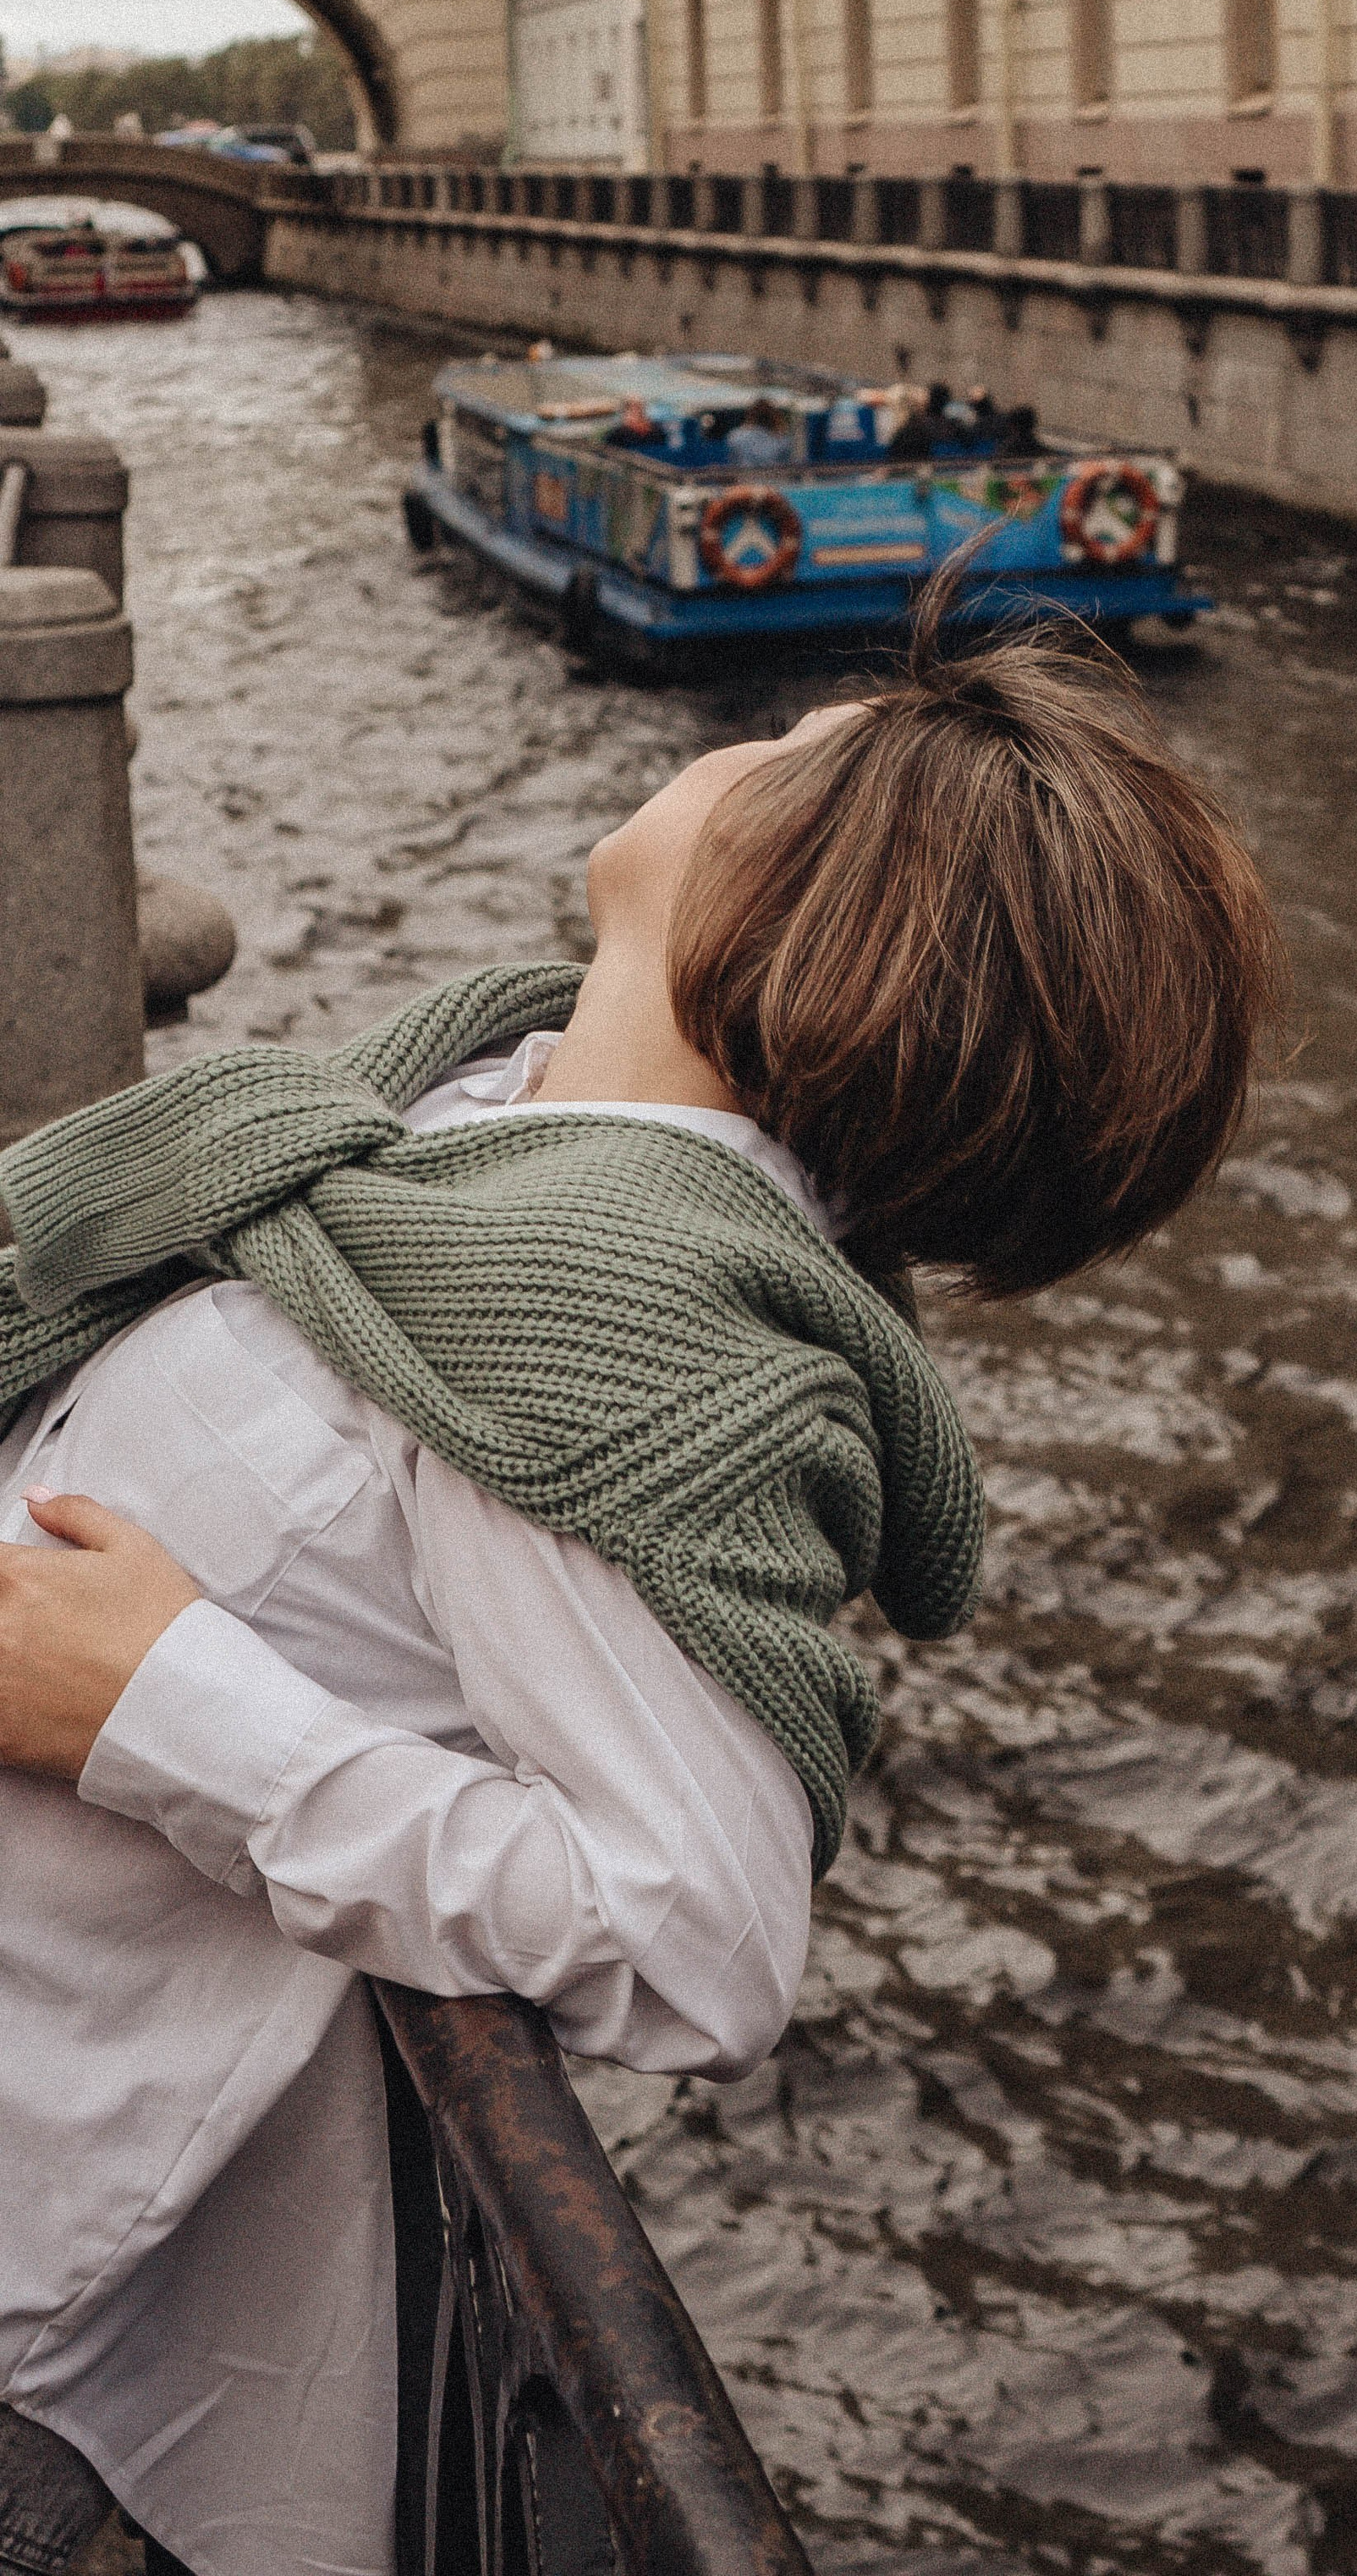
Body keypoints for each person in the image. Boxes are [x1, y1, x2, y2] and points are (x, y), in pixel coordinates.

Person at [0, 599, 1284, 2576]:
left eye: (793, 751)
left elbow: (694, 1941)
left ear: (828, 895)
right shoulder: (464, 1134)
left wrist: (161, 1705)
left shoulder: (613, 1329)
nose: (741, 750)